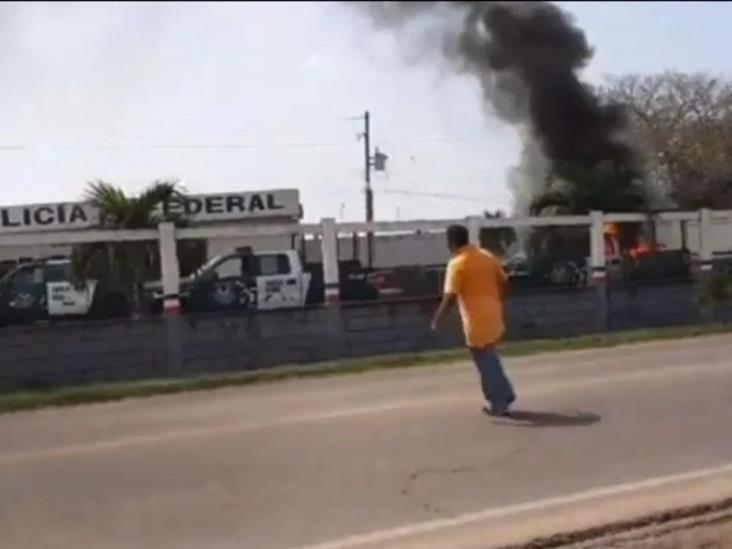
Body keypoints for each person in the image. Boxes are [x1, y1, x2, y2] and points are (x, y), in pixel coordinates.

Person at [431, 224, 516, 417]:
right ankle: (506, 393)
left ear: (451, 242)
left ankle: (499, 402)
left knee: (485, 361)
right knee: (489, 356)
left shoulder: (457, 263)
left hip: (475, 320)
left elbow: (450, 297)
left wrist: (437, 319)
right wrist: (496, 300)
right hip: (493, 313)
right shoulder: (487, 256)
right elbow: (504, 281)